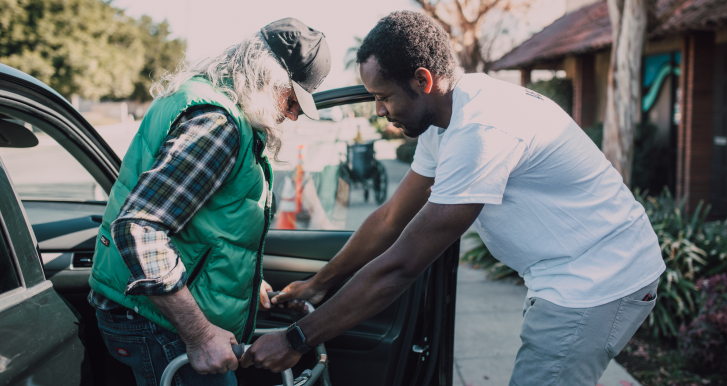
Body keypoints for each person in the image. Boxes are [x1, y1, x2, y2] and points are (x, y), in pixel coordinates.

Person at [245, 11, 666, 386]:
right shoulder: (445, 121)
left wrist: (296, 339)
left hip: (600, 279)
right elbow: (392, 218)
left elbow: (402, 265)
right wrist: (320, 284)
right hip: (565, 273)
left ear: (423, 80)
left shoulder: (481, 129)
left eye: (383, 96)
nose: (378, 110)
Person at [87, 18, 331, 386]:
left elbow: (204, 220)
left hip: (151, 312)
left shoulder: (204, 99)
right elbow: (140, 228)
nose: (294, 114)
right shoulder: (218, 124)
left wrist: (244, 281)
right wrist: (200, 335)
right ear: (268, 77)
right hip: (159, 323)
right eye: (292, 98)